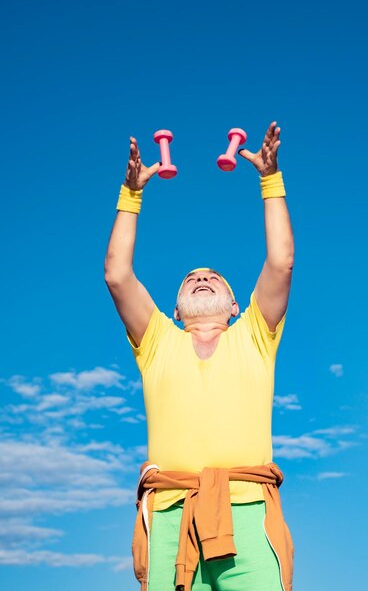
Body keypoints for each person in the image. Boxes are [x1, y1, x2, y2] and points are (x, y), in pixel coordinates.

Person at [104, 121, 295, 591]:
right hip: (171, 516)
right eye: (191, 278)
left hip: (249, 514)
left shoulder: (254, 333)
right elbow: (117, 274)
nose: (202, 277)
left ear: (235, 306)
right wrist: (131, 196)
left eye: (214, 277)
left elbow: (281, 262)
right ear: (174, 308)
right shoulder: (157, 342)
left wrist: (270, 181)